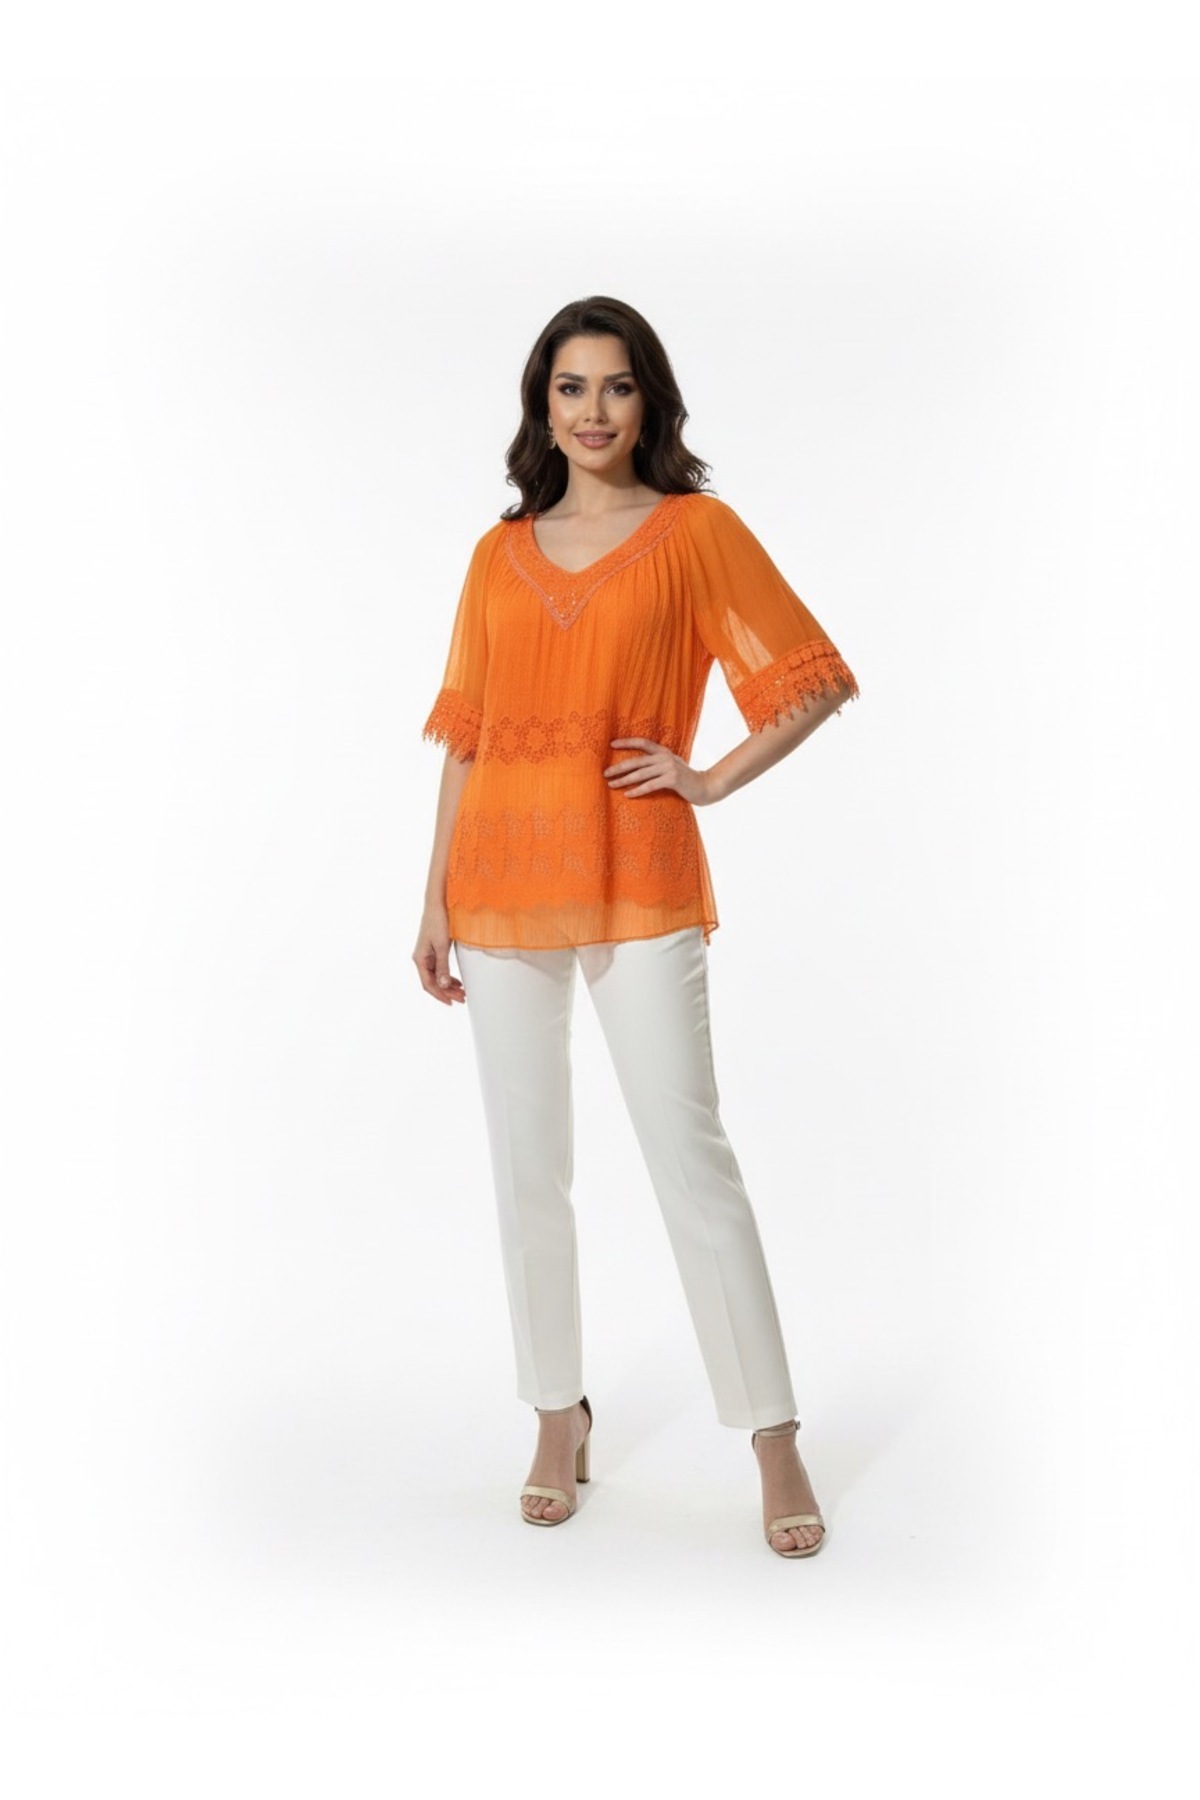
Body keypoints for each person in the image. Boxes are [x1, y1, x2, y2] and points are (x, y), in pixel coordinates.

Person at [414, 296, 858, 1558]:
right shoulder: (497, 554)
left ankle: (772, 1434)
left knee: (688, 1153)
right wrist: (433, 896)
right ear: (541, 405)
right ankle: (556, 1415)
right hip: (500, 880)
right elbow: (467, 737)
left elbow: (811, 677)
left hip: (639, 873)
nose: (594, 410)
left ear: (649, 399)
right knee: (526, 1163)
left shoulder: (694, 532)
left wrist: (708, 778)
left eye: (616, 386)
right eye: (571, 387)